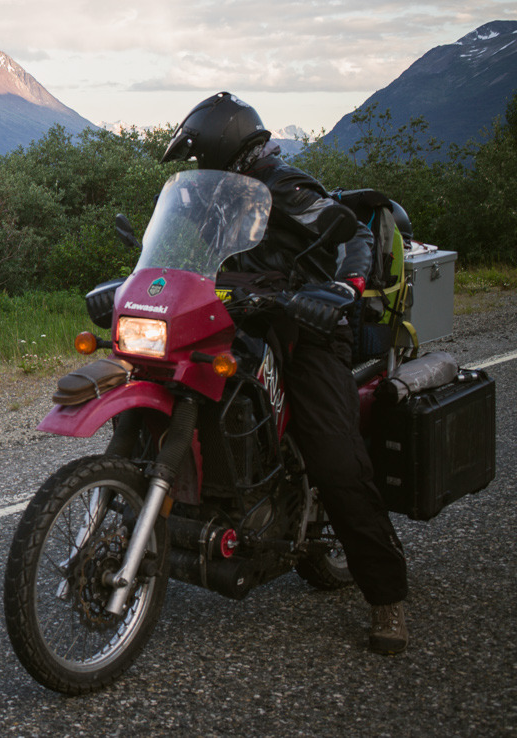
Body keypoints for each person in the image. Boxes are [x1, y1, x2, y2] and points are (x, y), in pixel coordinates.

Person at [162, 91, 410, 655]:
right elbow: (189, 255)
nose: (199, 168)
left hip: (310, 325)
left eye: (204, 156)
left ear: (227, 146)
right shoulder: (218, 196)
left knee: (335, 457)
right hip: (246, 318)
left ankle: (387, 596)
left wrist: (343, 288)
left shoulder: (289, 187)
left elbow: (354, 236)